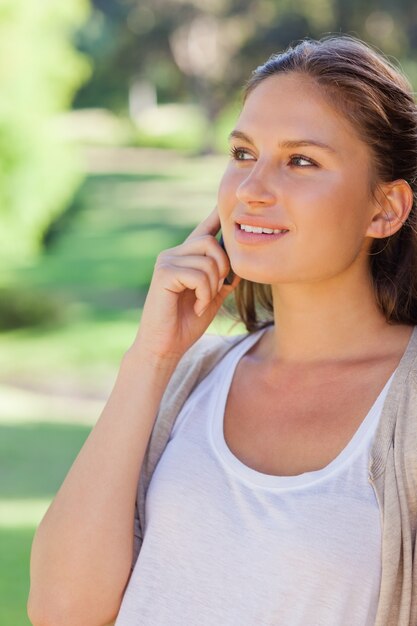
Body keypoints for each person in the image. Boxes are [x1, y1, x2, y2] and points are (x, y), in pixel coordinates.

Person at [27, 33, 417, 626]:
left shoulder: (404, 402)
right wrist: (151, 358)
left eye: (301, 161)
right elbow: (63, 611)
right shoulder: (192, 379)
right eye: (242, 155)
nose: (252, 191)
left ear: (385, 209)